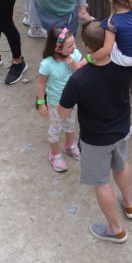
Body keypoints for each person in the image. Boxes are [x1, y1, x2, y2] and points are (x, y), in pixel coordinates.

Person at [57, 22, 132, 242]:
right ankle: (129, 204)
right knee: (121, 165)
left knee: (101, 182)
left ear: (86, 45)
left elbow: (63, 112)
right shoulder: (124, 63)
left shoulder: (79, 78)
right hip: (122, 129)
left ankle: (115, 229)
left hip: (95, 140)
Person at [36, 26, 83, 172]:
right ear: (57, 49)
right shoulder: (47, 64)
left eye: (74, 43)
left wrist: (74, 65)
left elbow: (81, 75)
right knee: (55, 128)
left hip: (72, 101)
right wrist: (41, 103)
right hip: (55, 104)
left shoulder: (75, 55)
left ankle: (69, 145)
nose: (74, 47)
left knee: (70, 124)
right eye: (69, 46)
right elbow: (41, 83)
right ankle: (54, 154)